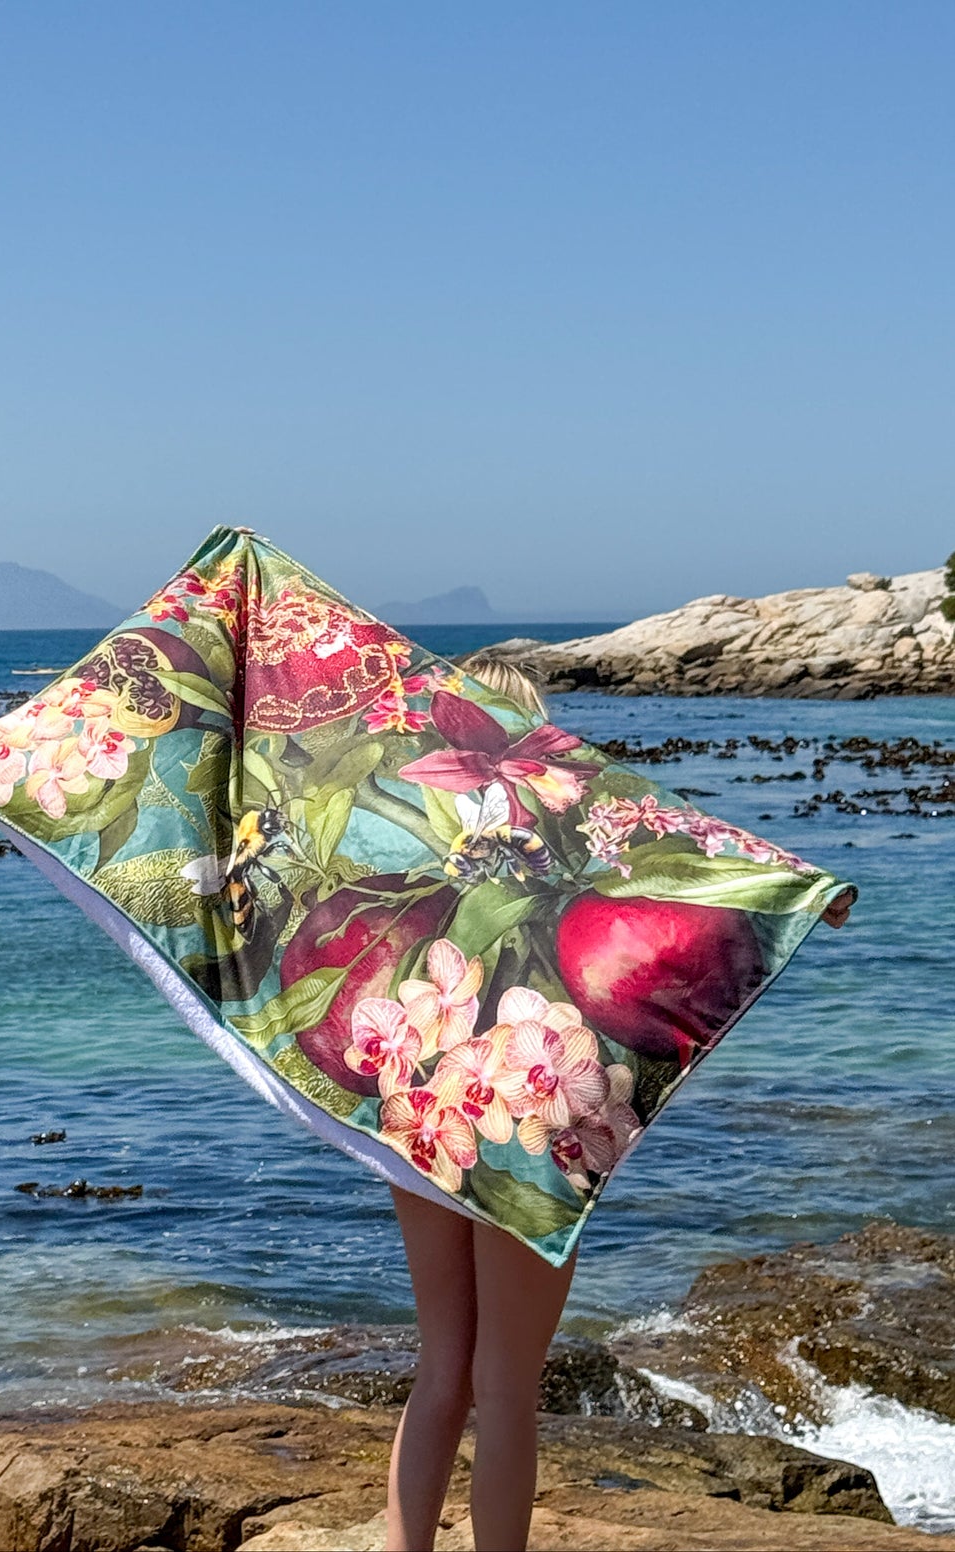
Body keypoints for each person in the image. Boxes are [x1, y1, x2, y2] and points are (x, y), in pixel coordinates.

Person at [382, 652, 856, 1552]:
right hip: (533, 1107)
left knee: (441, 1365)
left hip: (430, 1100)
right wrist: (795, 892)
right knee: (506, 1384)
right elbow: (679, 859)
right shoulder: (574, 816)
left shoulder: (424, 833)